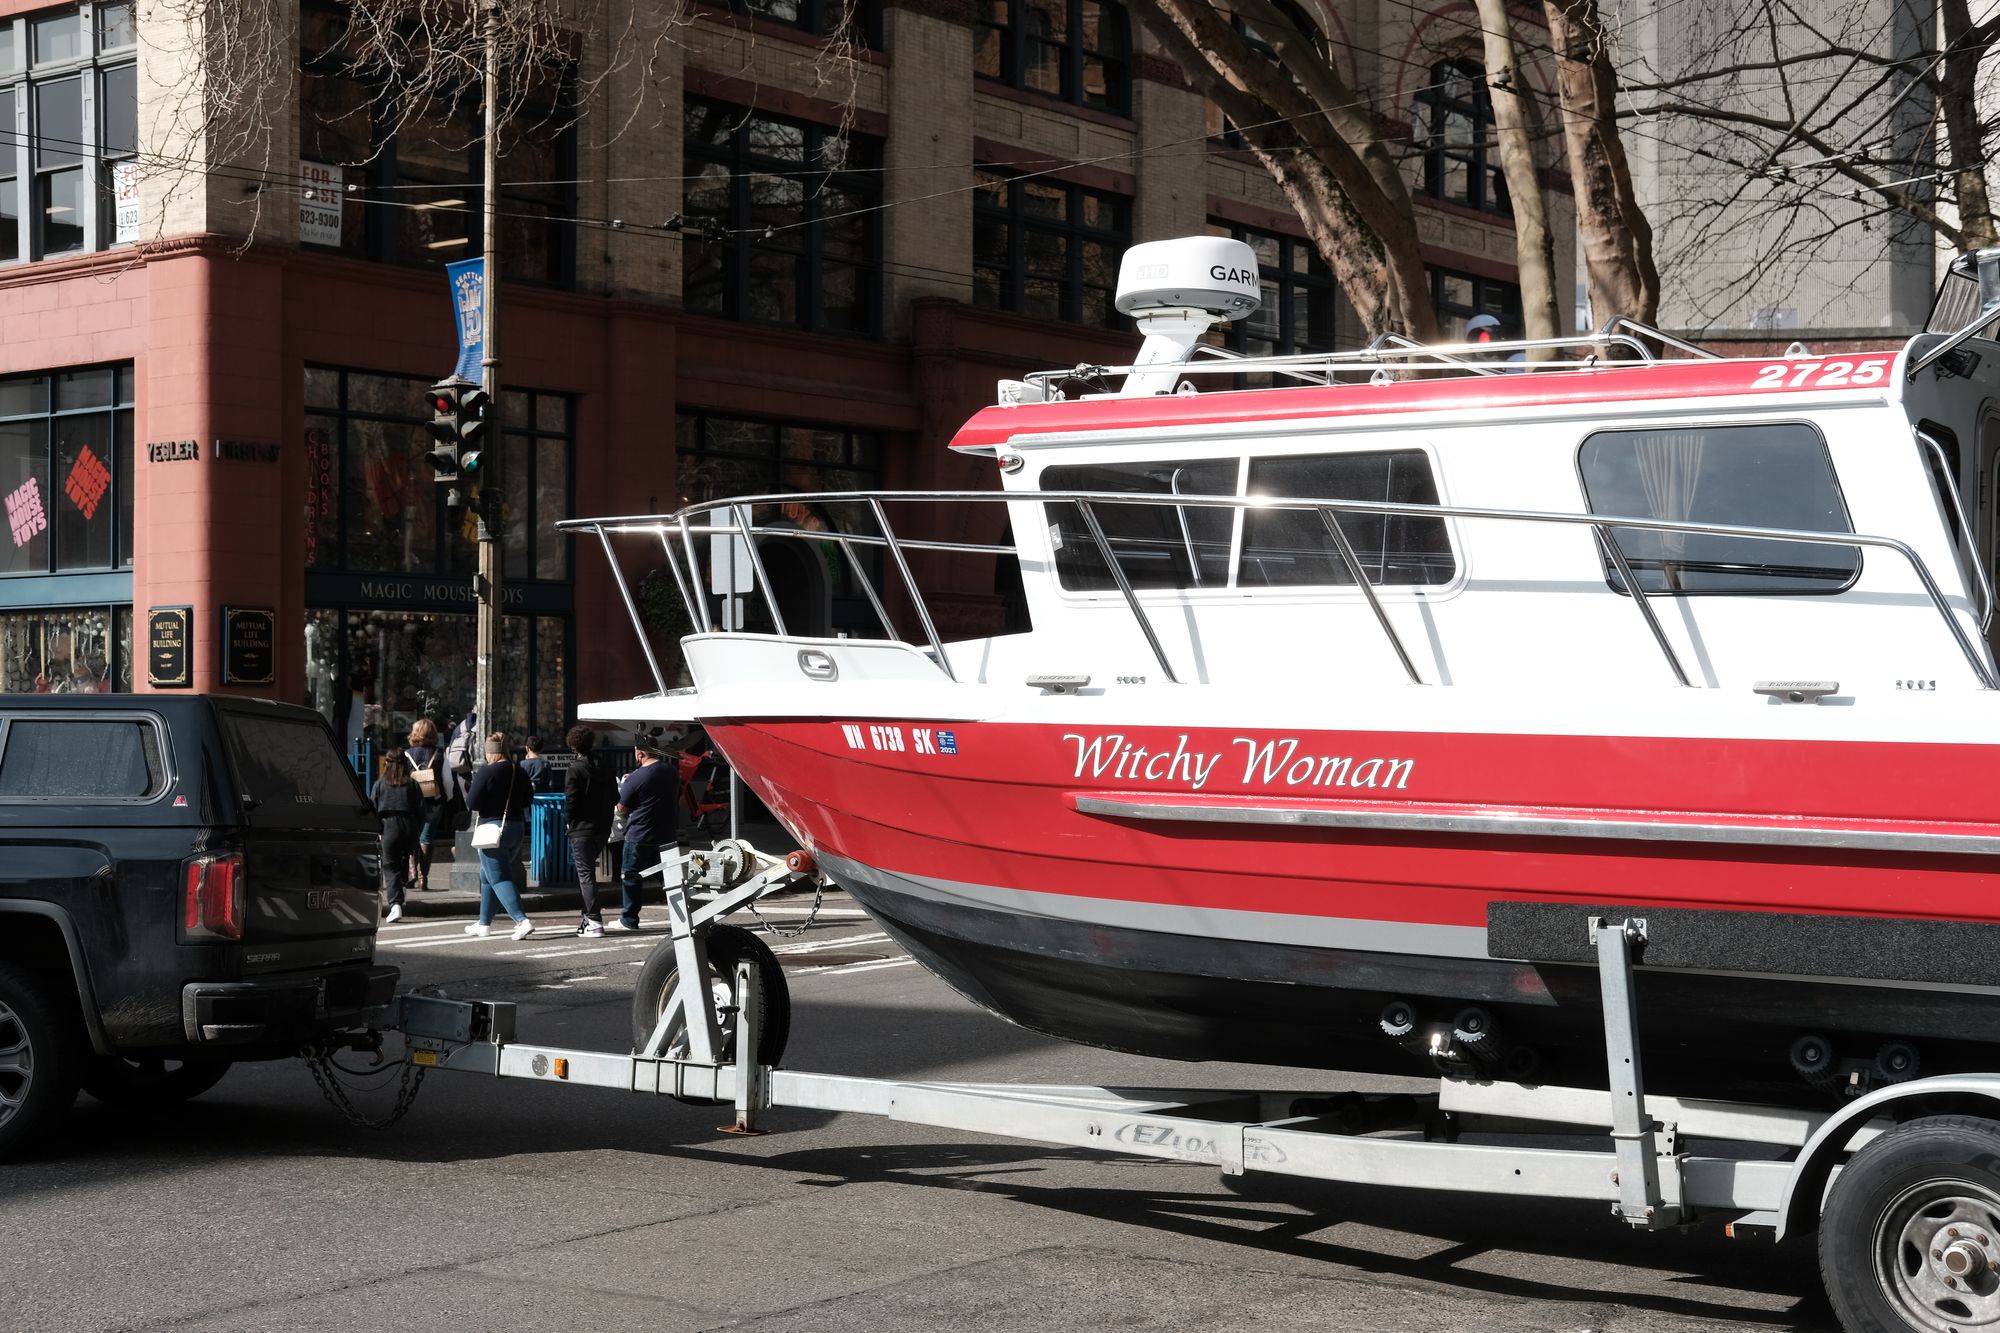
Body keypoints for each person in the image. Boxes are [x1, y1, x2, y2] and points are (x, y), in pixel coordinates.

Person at [463, 731, 537, 941]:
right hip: (515, 827)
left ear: (490, 753)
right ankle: (484, 923)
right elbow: (527, 800)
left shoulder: (487, 772)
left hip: (492, 829)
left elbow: (472, 803)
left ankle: (522, 920)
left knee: (499, 877)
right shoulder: (519, 771)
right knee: (487, 877)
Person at [613, 739, 677, 932]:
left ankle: (629, 919)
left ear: (640, 753)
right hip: (666, 833)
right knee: (668, 877)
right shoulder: (671, 771)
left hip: (639, 833)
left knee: (631, 876)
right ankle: (684, 914)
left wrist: (627, 783)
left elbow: (621, 807)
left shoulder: (636, 777)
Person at [562, 725, 618, 937]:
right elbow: (615, 797)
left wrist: (569, 821)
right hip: (602, 826)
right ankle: (588, 918)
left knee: (585, 875)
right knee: (587, 874)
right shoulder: (605, 766)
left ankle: (593, 920)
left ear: (573, 745)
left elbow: (571, 802)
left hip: (582, 828)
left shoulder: (574, 769)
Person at [403, 718, 453, 892]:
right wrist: (447, 798)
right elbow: (448, 781)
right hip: (434, 802)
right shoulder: (440, 754)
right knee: (426, 838)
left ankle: (412, 873)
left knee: (412, 837)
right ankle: (424, 878)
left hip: (411, 803)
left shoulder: (407, 754)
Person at [370, 752, 421, 923]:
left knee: (390, 866)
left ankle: (395, 904)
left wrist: (379, 828)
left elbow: (373, 809)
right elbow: (421, 808)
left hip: (389, 825)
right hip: (409, 824)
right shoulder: (412, 784)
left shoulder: (380, 785)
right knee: (404, 858)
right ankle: (403, 889)